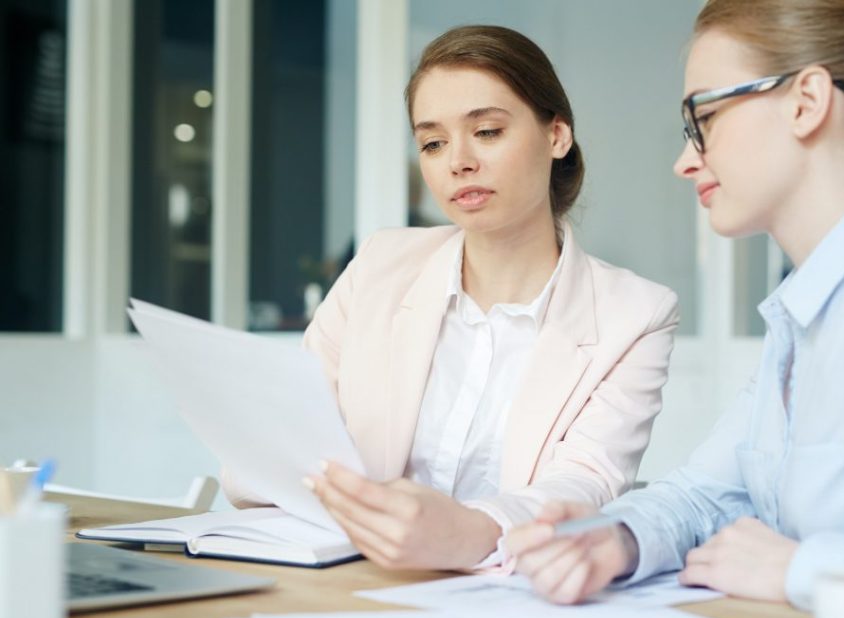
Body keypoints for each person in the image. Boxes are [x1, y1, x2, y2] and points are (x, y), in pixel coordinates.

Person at [507, 0, 844, 618]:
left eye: (705, 117)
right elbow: (707, 492)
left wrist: (802, 567)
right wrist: (614, 537)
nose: (685, 160)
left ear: (807, 101)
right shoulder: (805, 310)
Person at [222, 25, 679, 571]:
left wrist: (469, 531)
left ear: (557, 136)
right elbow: (272, 448)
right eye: (433, 142)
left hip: (509, 594)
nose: (457, 161)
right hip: (351, 578)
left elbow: (585, 484)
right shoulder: (379, 267)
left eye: (486, 131)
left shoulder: (637, 315)